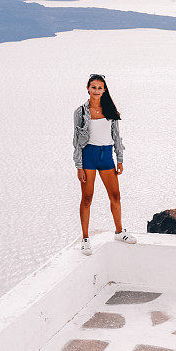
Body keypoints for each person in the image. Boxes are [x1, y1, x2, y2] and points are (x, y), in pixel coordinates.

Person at [73, 74, 136, 255]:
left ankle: (119, 231)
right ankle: (85, 239)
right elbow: (76, 141)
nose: (97, 91)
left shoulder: (110, 109)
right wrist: (79, 166)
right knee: (87, 198)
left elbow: (116, 136)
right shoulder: (80, 112)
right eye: (94, 87)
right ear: (87, 88)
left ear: (104, 89)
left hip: (107, 155)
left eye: (100, 88)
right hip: (89, 156)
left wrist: (120, 159)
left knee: (115, 196)